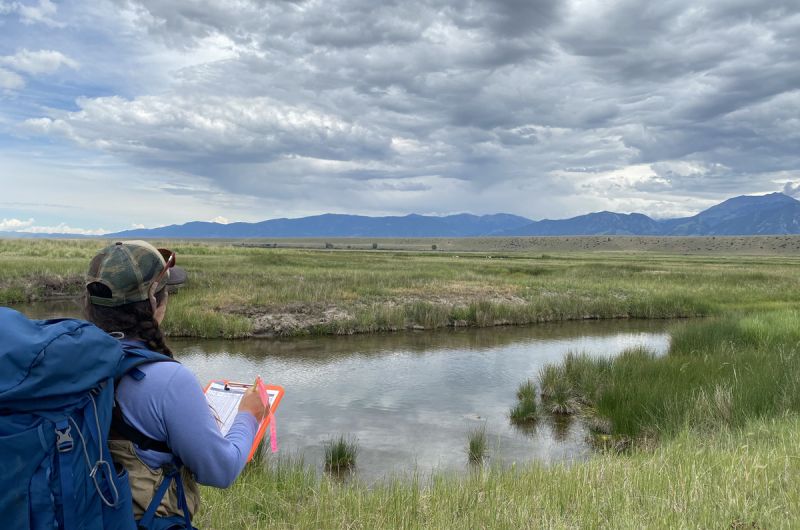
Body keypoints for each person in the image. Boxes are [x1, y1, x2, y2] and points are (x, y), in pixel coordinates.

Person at [83, 240, 267, 528]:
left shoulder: (75, 360)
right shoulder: (168, 381)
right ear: (154, 302)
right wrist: (249, 416)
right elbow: (222, 470)